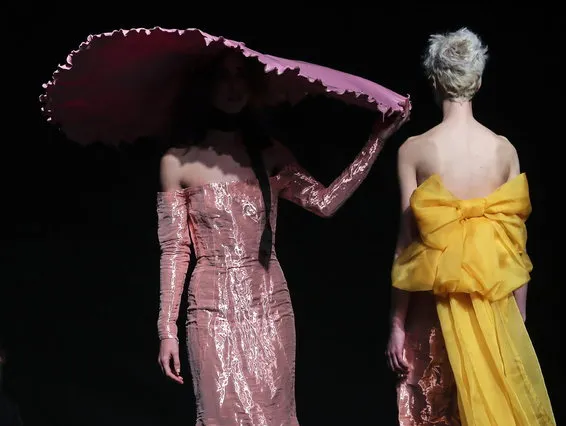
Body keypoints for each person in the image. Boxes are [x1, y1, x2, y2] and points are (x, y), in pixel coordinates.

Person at [156, 49, 407, 425]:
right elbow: (174, 249)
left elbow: (324, 203)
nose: (233, 86)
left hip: (268, 303)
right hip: (210, 307)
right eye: (223, 76)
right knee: (219, 415)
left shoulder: (269, 152)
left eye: (241, 75)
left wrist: (377, 141)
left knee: (275, 416)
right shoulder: (176, 162)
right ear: (205, 86)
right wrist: (166, 330)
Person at [386, 28, 555, 425]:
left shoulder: (414, 150)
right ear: (477, 81)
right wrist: (518, 320)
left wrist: (395, 324)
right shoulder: (503, 150)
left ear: (434, 80)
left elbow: (406, 246)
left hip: (434, 308)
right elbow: (515, 249)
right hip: (494, 308)